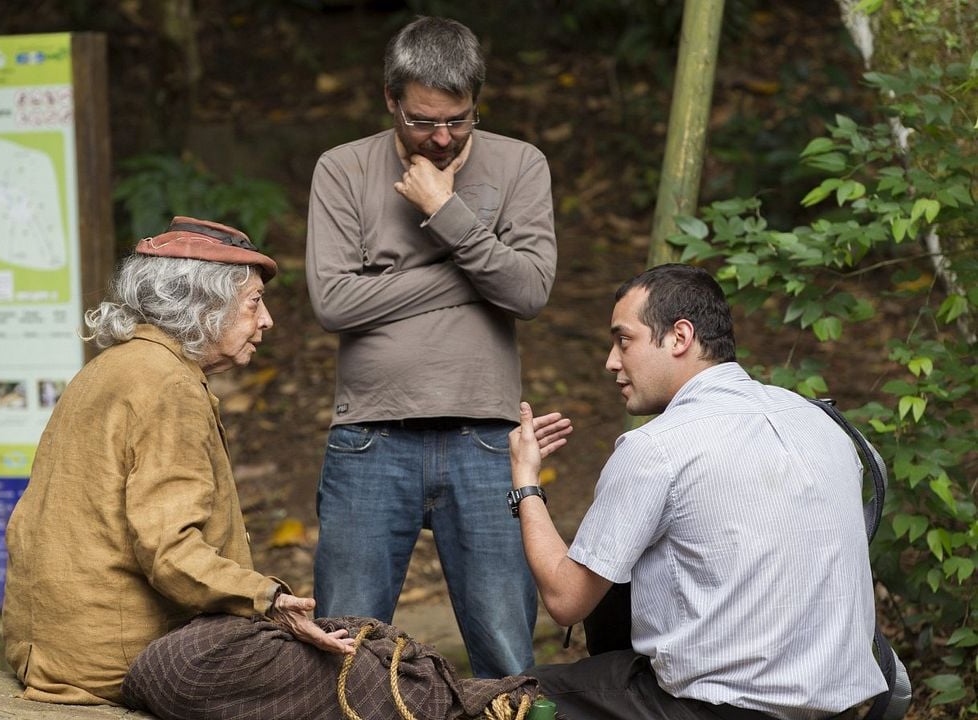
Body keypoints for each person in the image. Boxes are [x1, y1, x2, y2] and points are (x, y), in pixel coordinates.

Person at [507, 264, 888, 719]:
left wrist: (525, 482)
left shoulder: (657, 446)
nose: (611, 360)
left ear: (679, 337)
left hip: (718, 709)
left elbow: (566, 601)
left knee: (508, 700)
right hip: (843, 705)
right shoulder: (825, 423)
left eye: (623, 340)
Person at [2, 217, 356, 706]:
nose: (267, 320)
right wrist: (268, 600)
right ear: (204, 308)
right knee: (348, 676)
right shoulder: (168, 385)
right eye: (254, 303)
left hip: (51, 649)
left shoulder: (113, 365)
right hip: (116, 661)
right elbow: (169, 551)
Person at [305, 16, 558, 678]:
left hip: (484, 437)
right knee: (347, 648)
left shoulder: (521, 164)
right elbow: (334, 303)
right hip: (369, 437)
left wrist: (445, 214)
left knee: (506, 652)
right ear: (390, 99)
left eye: (460, 121)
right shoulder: (342, 169)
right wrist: (475, 266)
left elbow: (529, 292)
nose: (442, 139)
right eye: (423, 122)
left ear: (477, 103)